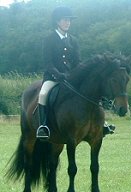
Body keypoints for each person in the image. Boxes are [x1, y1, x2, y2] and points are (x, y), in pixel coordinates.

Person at [36, 6, 115, 139]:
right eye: (65, 20)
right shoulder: (49, 39)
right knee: (43, 94)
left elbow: (78, 62)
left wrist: (79, 74)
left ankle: (101, 123)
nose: (68, 23)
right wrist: (57, 74)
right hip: (53, 77)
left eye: (69, 20)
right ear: (57, 21)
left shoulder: (73, 40)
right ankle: (44, 126)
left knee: (92, 91)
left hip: (72, 78)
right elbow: (48, 63)